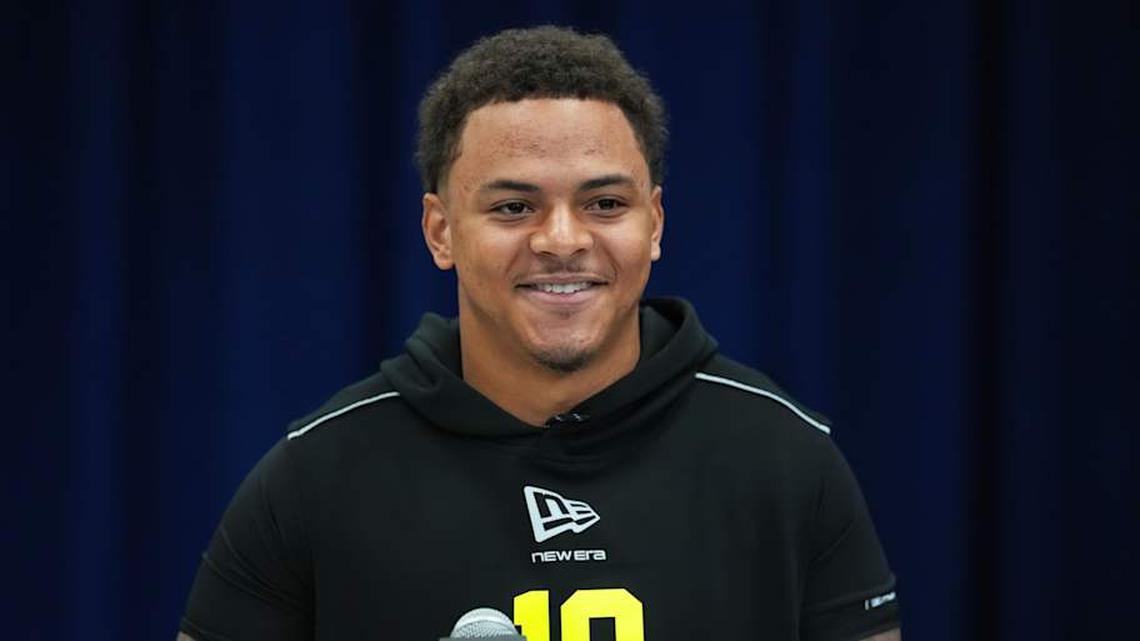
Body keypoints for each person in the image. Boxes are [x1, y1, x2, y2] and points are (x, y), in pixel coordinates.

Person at [179, 26, 901, 641]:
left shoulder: (786, 458)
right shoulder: (316, 475)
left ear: (655, 223)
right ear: (440, 230)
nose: (562, 240)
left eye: (605, 203)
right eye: (514, 206)